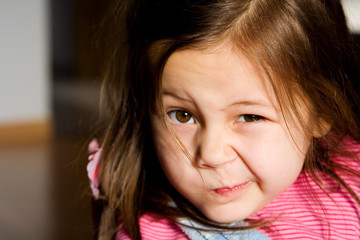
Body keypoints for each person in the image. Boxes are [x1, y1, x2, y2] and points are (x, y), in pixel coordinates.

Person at [88, 0, 360, 239]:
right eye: (182, 115)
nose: (212, 154)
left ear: (321, 111)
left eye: (250, 116)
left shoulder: (352, 182)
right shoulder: (152, 233)